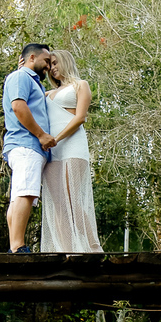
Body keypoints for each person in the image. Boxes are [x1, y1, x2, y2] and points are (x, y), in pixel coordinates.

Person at [41, 49, 103, 253]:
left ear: (66, 61)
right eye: (50, 64)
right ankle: (65, 249)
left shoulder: (80, 85)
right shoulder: (46, 94)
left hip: (72, 146)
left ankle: (91, 246)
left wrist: (55, 139)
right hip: (52, 152)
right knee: (58, 203)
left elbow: (80, 118)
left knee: (72, 198)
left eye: (56, 62)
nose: (52, 68)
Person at [1, 43, 55, 253]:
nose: (49, 67)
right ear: (32, 58)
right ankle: (17, 246)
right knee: (25, 193)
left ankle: (15, 245)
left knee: (20, 196)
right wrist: (41, 135)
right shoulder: (20, 77)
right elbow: (18, 106)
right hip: (26, 144)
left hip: (28, 146)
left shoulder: (29, 80)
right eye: (47, 61)